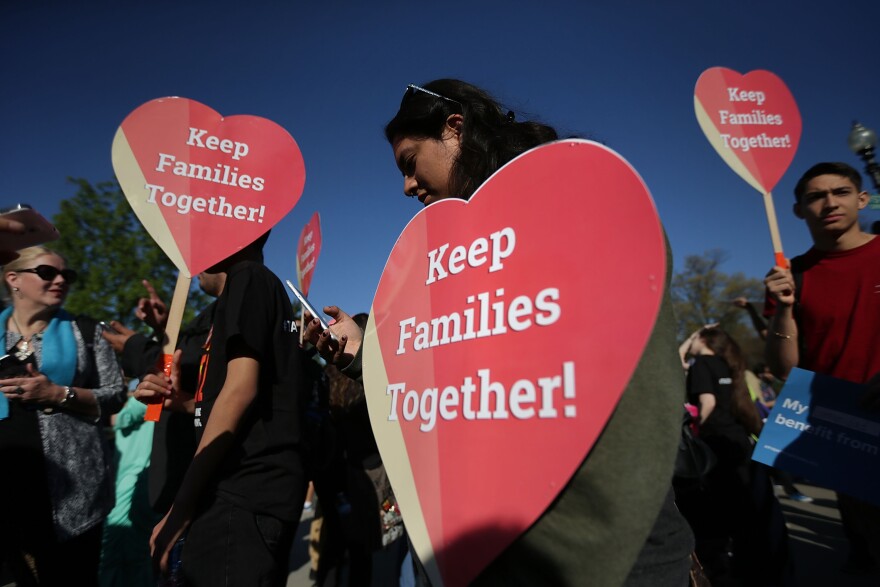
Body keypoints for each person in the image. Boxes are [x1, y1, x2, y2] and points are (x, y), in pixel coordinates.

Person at [307, 79, 694, 586]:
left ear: (455, 128)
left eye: (409, 162)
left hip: (601, 552)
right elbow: (454, 372)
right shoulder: (447, 261)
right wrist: (365, 353)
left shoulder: (576, 198)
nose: (406, 186)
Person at [136, 232, 309, 586]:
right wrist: (183, 402)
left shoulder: (247, 276)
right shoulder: (243, 293)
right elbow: (248, 400)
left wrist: (181, 508)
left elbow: (240, 390)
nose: (194, 259)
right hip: (243, 496)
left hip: (240, 494)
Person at [764, 161, 880, 572]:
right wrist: (783, 311)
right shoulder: (791, 275)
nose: (829, 202)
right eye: (816, 196)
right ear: (798, 210)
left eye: (841, 192)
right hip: (847, 434)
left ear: (862, 199)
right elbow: (783, 369)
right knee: (866, 542)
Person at [0, 245, 126, 586]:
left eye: (65, 275)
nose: (60, 280)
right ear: (14, 279)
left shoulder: (85, 332)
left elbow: (115, 395)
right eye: (47, 273)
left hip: (72, 493)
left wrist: (57, 393)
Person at [677, 326, 793, 585]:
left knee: (716, 521)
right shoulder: (728, 364)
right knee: (748, 517)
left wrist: (692, 432)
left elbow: (707, 402)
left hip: (714, 446)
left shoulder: (702, 364)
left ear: (704, 340)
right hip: (739, 443)